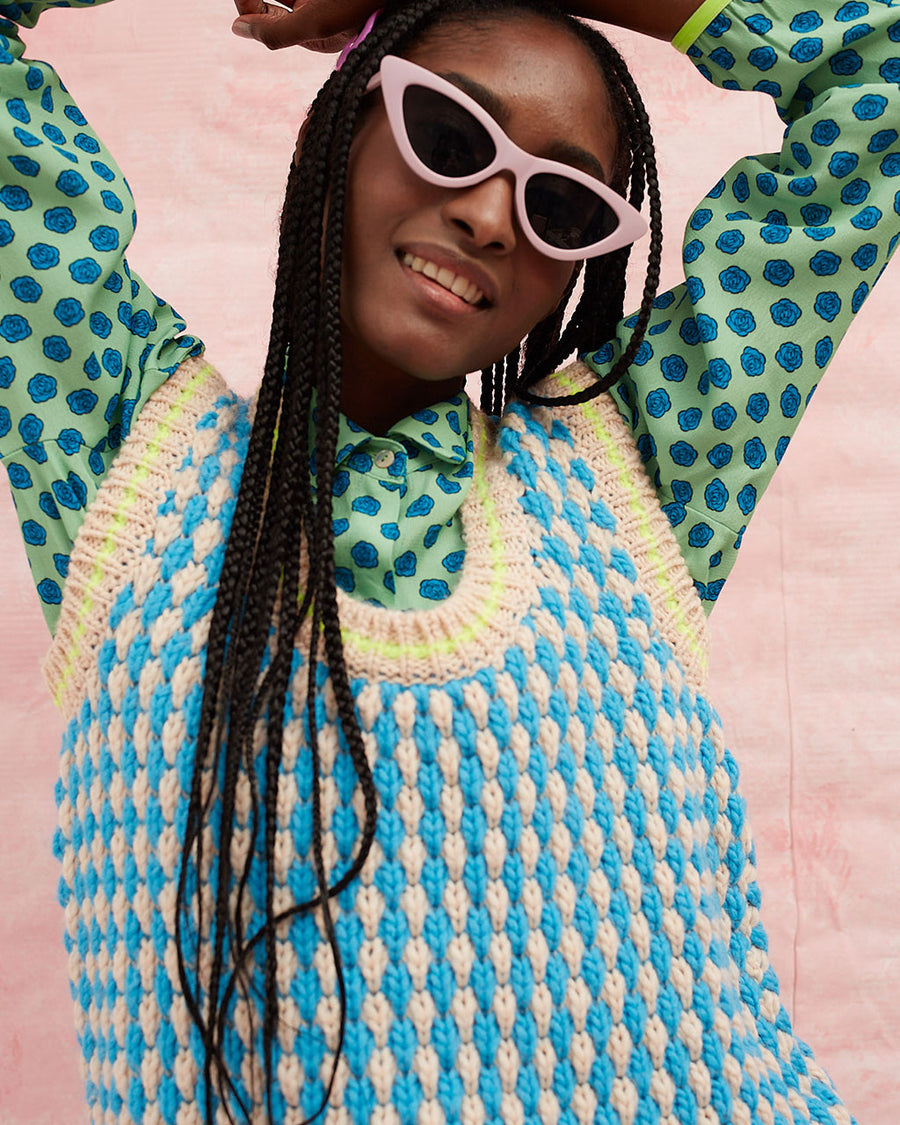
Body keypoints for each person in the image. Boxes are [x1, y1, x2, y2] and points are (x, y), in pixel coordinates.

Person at [0, 0, 896, 1121]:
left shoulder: (639, 466)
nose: (487, 216)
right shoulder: (123, 461)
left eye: (562, 203)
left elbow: (885, 68)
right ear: (344, 123)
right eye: (453, 134)